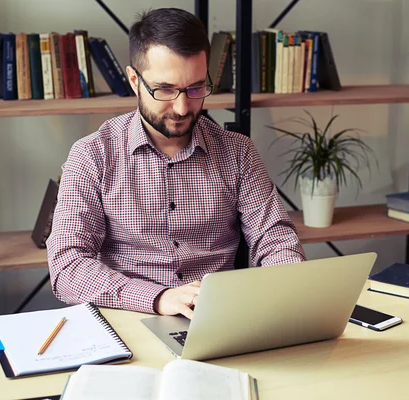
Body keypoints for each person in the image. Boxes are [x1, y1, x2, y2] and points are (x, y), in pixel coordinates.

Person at [47, 8, 306, 319]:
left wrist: (289, 290)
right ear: (134, 80)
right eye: (165, 89)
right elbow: (67, 265)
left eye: (196, 88)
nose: (183, 108)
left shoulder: (239, 153)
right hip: (128, 318)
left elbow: (276, 240)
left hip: (217, 319)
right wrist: (158, 298)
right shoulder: (92, 155)